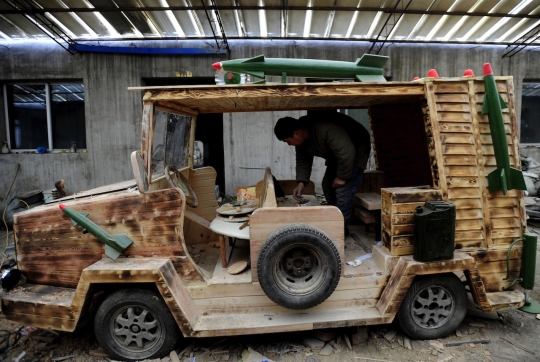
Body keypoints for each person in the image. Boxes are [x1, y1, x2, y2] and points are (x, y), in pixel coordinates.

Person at [274, 111, 371, 236]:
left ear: (296, 133)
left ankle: (339, 232)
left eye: (288, 141)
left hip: (356, 149)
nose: (289, 144)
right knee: (327, 185)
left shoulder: (324, 128)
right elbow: (303, 161)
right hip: (337, 155)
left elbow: (347, 153)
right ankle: (334, 222)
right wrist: (301, 183)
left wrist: (342, 177)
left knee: (343, 191)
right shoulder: (301, 140)